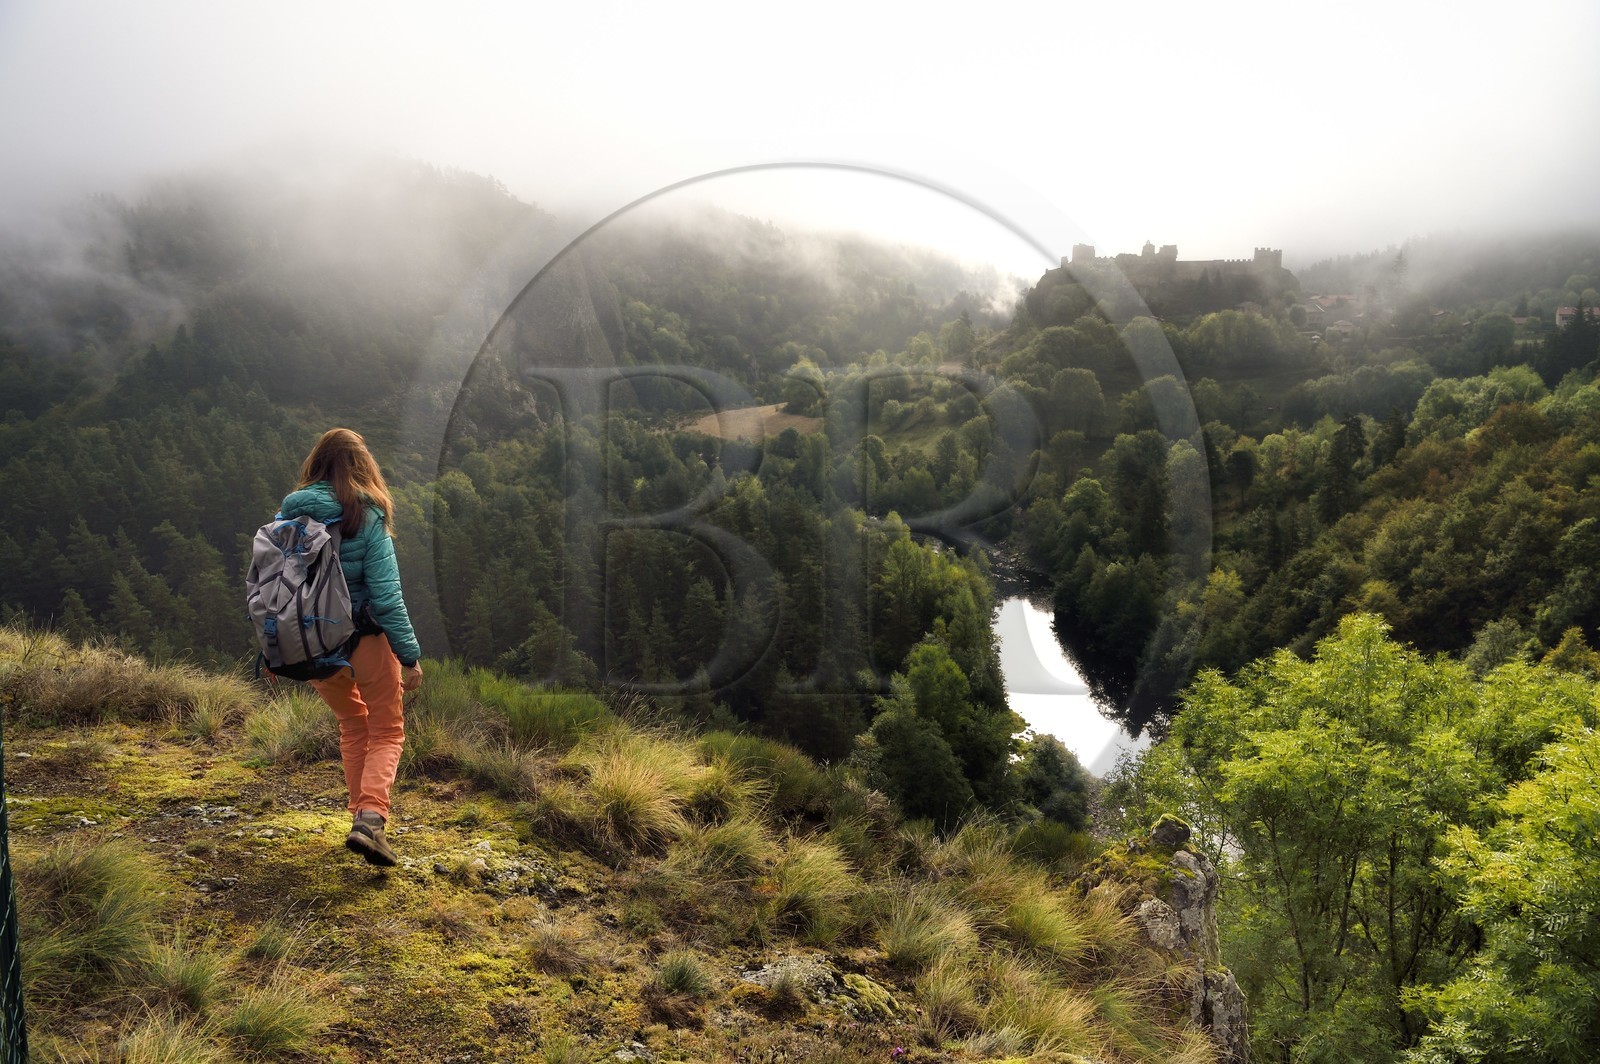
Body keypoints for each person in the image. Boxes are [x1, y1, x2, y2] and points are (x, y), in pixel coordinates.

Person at [278, 428, 424, 866]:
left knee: (352, 724)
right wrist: (410, 655)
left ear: (316, 463)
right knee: (386, 730)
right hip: (364, 640)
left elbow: (275, 589)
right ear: (364, 466)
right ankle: (371, 819)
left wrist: (273, 649)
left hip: (311, 644)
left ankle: (361, 821)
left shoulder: (290, 514)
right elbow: (386, 596)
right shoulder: (367, 512)